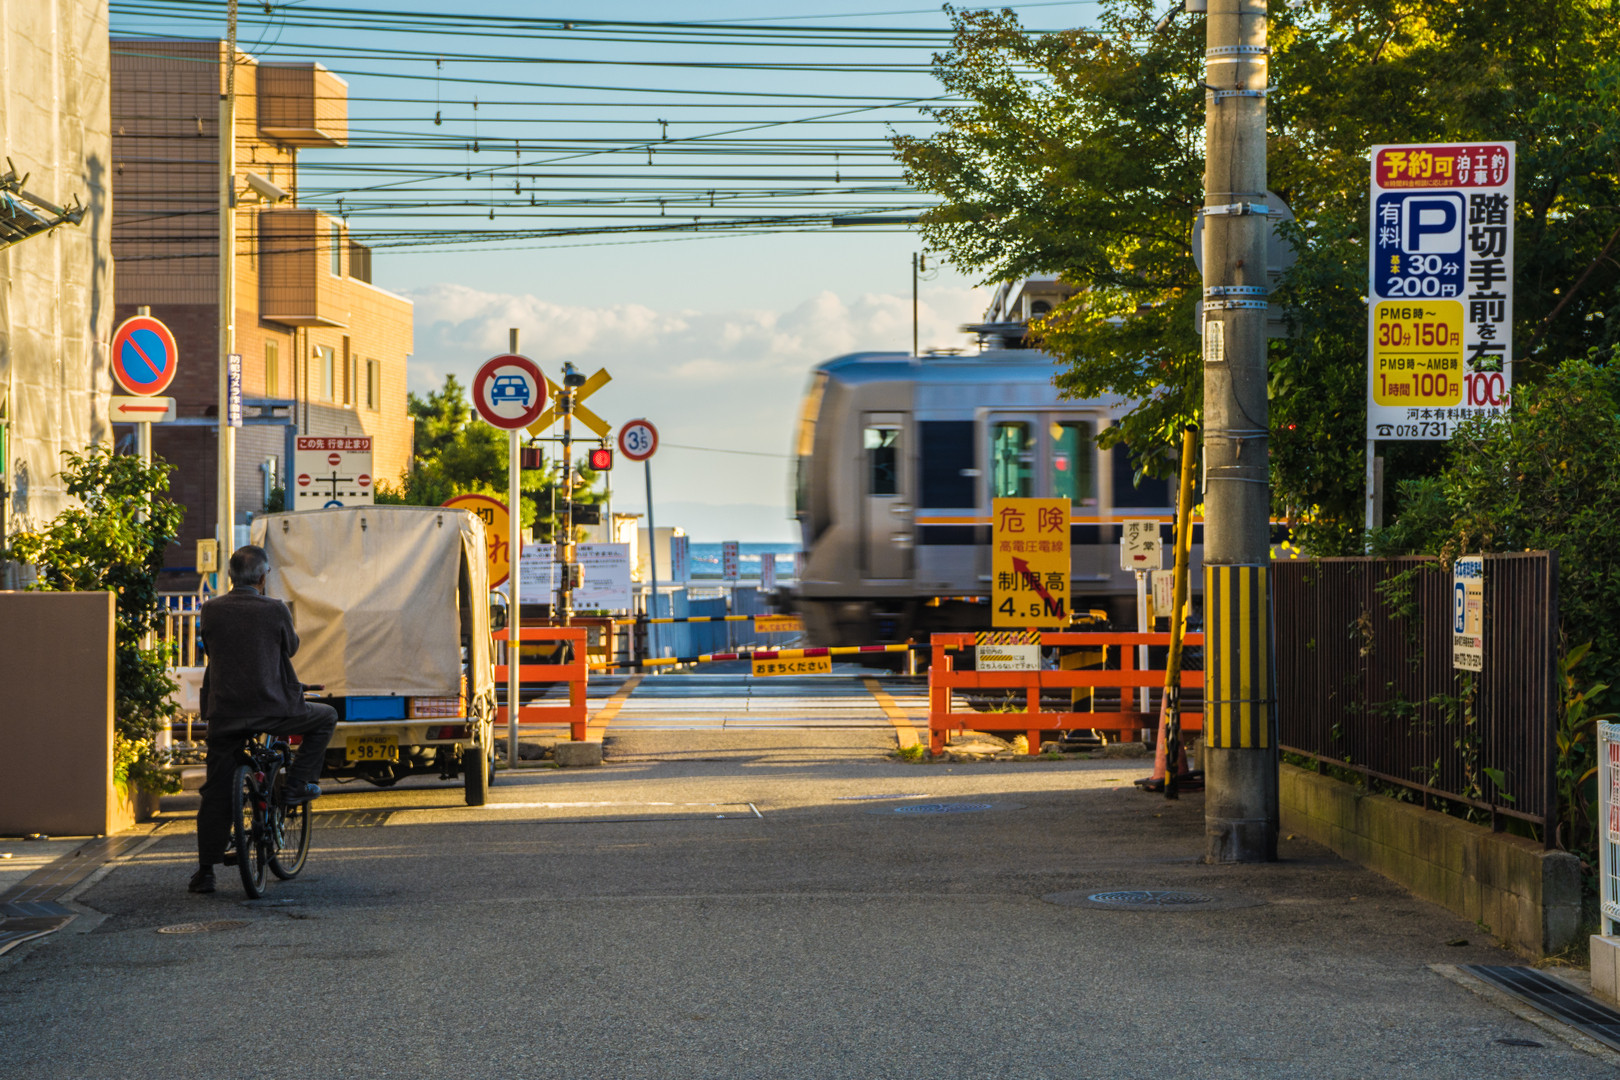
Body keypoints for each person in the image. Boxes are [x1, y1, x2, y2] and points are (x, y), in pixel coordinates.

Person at [189, 545, 337, 894]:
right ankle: (297, 785)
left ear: (230, 576)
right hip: (273, 710)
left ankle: (205, 871)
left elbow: (214, 648)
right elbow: (291, 647)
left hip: (224, 713)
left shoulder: (210, 610)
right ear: (262, 577)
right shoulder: (275, 609)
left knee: (216, 791)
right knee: (326, 717)